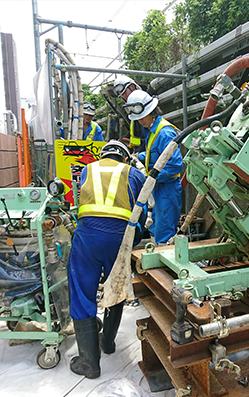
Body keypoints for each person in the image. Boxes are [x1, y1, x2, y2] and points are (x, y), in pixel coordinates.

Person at [67, 140, 146, 379]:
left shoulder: (86, 170)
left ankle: (89, 363)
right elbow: (142, 207)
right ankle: (108, 343)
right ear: (124, 157)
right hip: (119, 239)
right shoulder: (133, 172)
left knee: (82, 292)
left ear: (103, 156)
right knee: (116, 286)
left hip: (87, 235)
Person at [125, 90, 182, 245]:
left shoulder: (164, 132)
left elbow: (175, 165)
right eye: (137, 119)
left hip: (167, 189)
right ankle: (157, 255)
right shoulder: (152, 130)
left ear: (151, 111)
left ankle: (165, 263)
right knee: (156, 226)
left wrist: (151, 179)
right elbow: (156, 154)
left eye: (142, 116)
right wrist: (138, 157)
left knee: (164, 231)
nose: (140, 121)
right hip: (159, 188)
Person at [111, 76, 143, 150]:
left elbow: (146, 134)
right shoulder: (133, 108)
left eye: (125, 92)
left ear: (132, 87)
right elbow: (135, 131)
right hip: (139, 151)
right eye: (122, 95)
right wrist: (122, 139)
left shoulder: (142, 106)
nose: (124, 96)